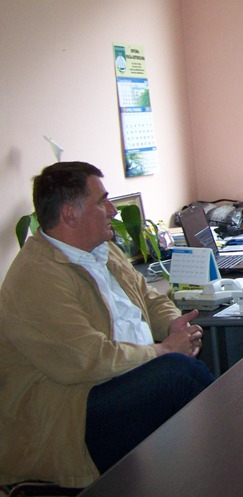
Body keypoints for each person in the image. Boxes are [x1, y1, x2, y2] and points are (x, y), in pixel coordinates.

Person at [0, 162, 215, 488]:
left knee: (183, 376)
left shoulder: (103, 250)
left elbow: (149, 299)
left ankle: (222, 465)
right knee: (177, 375)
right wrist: (163, 351)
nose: (113, 210)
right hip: (68, 417)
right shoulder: (36, 277)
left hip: (120, 382)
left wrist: (174, 325)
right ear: (70, 215)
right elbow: (87, 358)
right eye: (102, 202)